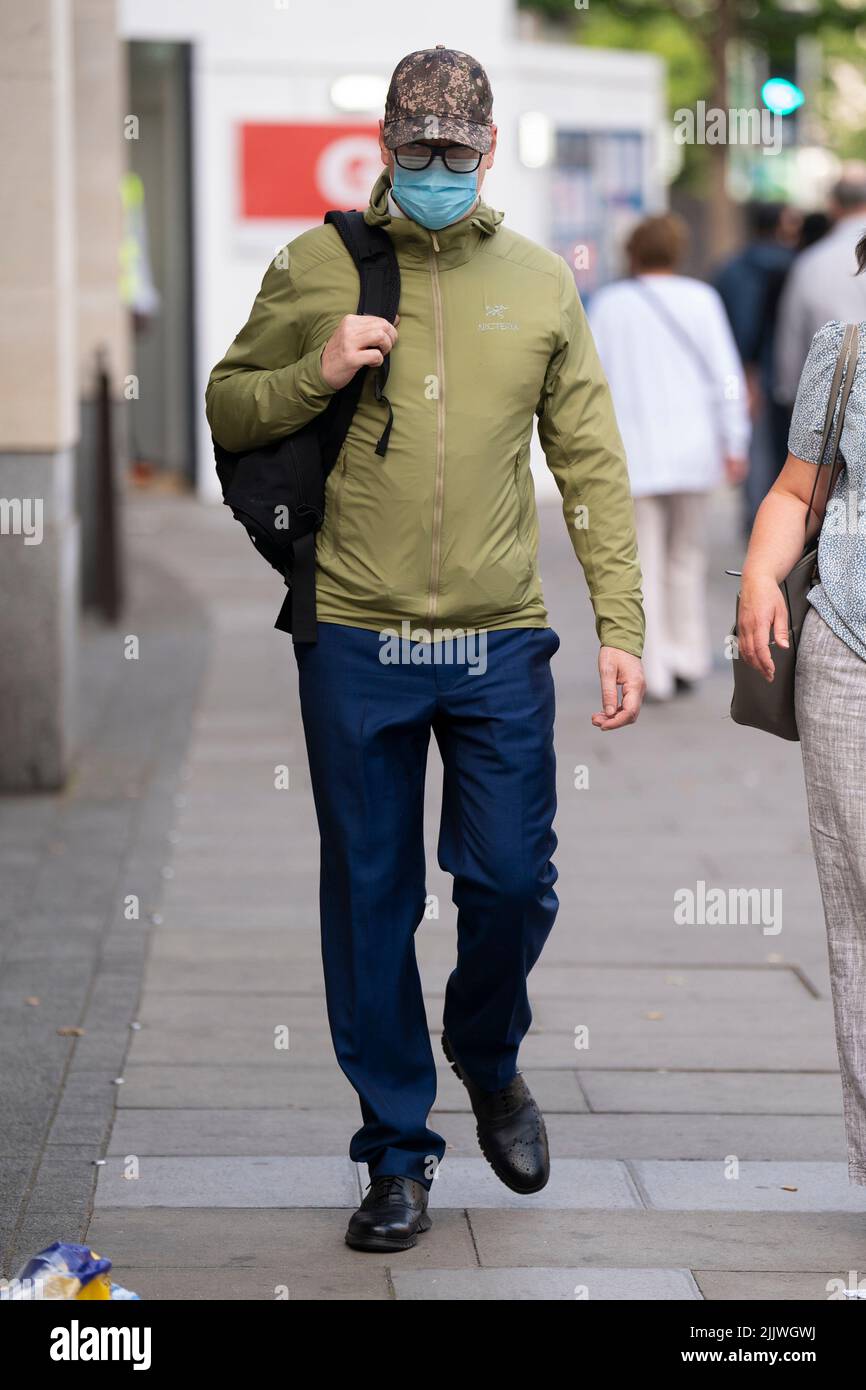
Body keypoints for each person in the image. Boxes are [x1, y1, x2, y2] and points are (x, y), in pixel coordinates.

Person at [206, 46, 645, 1252]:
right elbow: (229, 404)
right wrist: (317, 364)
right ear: (385, 146)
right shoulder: (319, 264)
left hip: (498, 636)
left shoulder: (540, 283)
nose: (438, 170)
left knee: (508, 878)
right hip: (353, 628)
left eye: (458, 151)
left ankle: (488, 1050)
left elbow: (590, 464)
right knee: (370, 898)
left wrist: (621, 623)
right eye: (417, 151)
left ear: (490, 148)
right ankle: (394, 1152)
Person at [737, 234, 866, 1190]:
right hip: (850, 652)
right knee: (858, 910)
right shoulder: (848, 348)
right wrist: (758, 574)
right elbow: (795, 491)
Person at [588, 214, 749, 703]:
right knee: (686, 557)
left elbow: (590, 380)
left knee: (641, 564)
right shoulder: (702, 299)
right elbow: (727, 375)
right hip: (693, 451)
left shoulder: (609, 305)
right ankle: (688, 656)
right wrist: (735, 441)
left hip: (632, 453)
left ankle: (651, 668)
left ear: (633, 251)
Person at [714, 202, 797, 529]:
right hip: (791, 368)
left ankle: (756, 521)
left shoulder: (730, 269)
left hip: (742, 370)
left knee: (754, 446)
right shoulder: (795, 263)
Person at [775, 164, 866, 406]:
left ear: (834, 206)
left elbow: (792, 339)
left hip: (829, 407)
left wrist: (790, 394)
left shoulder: (810, 263)